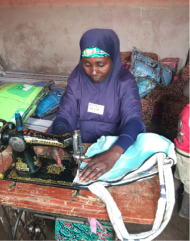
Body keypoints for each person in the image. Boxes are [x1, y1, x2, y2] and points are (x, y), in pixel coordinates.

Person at [49, 28, 145, 183]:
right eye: (87, 64)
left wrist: (114, 153)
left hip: (113, 147)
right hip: (80, 146)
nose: (93, 72)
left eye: (101, 65)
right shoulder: (76, 80)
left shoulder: (125, 83)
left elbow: (133, 121)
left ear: (113, 60)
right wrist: (61, 139)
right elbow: (65, 115)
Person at [174, 79, 190, 220]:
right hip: (188, 154)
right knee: (189, 184)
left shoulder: (185, 109)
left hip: (179, 149)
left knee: (178, 175)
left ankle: (170, 199)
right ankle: (184, 211)